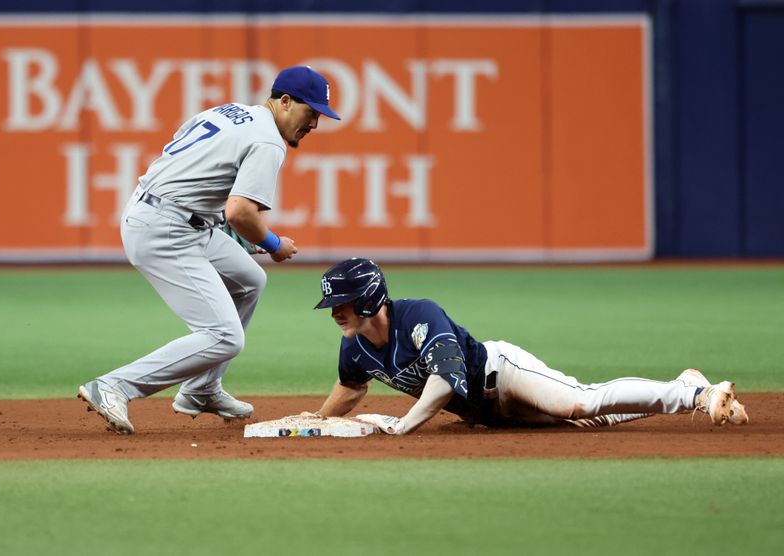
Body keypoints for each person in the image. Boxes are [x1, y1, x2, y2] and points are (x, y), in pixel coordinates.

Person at [78, 66, 341, 434]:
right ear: (284, 101)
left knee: (250, 279)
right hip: (164, 230)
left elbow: (188, 161)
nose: (314, 123)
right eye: (311, 112)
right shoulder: (268, 141)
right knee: (225, 336)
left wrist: (213, 217)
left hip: (173, 215)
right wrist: (274, 243)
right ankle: (115, 385)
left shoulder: (230, 111)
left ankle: (201, 389)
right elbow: (241, 212)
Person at [309, 258, 749, 434]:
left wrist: (406, 425)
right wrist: (319, 419)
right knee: (586, 423)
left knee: (579, 403)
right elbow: (352, 388)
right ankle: (682, 385)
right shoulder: (354, 347)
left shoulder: (418, 315)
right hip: (485, 414)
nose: (334, 313)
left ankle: (700, 394)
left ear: (367, 297)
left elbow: (444, 381)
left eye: (340, 303)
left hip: (503, 373)